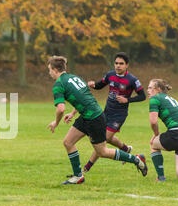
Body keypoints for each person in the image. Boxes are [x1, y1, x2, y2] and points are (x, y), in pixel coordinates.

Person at [46, 55, 147, 185]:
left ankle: (136, 159)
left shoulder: (58, 84)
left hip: (94, 118)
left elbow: (60, 109)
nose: (49, 73)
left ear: (55, 70)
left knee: (102, 151)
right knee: (68, 142)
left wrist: (56, 122)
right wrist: (72, 113)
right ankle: (78, 176)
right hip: (88, 115)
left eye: (49, 70)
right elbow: (84, 97)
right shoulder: (74, 77)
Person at [83, 52, 146, 172]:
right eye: (116, 63)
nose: (118, 66)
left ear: (127, 65)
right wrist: (93, 85)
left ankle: (87, 167)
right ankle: (126, 149)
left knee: (103, 139)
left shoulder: (132, 80)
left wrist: (127, 100)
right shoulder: (110, 75)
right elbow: (100, 85)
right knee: (109, 138)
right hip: (107, 111)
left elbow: (142, 96)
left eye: (121, 64)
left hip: (119, 115)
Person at [147, 79, 178, 182]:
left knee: (153, 144)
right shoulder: (170, 98)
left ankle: (161, 177)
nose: (148, 90)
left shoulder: (155, 99)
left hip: (177, 133)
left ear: (158, 89)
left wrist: (156, 134)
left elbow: (153, 121)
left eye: (150, 88)